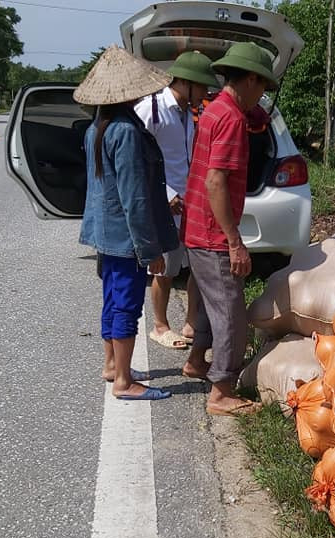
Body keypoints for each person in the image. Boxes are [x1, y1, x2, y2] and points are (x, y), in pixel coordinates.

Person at [76, 45, 181, 401]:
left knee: (111, 299)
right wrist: (149, 251)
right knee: (126, 304)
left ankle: (111, 365)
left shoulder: (98, 128)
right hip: (126, 239)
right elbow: (134, 199)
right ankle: (123, 381)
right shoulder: (128, 133)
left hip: (107, 234)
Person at [180, 42, 277, 416]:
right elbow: (216, 181)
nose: (262, 95)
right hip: (213, 233)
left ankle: (196, 361)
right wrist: (235, 242)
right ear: (250, 78)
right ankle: (222, 391)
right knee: (232, 312)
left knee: (208, 302)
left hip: (197, 228)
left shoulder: (213, 110)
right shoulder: (232, 118)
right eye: (262, 87)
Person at [133, 51, 220, 350]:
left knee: (198, 266)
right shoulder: (152, 109)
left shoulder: (188, 115)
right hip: (165, 204)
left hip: (191, 203)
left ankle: (191, 322)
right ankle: (160, 325)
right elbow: (137, 159)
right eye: (201, 86)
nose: (205, 93)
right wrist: (165, 196)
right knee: (165, 268)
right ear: (184, 82)